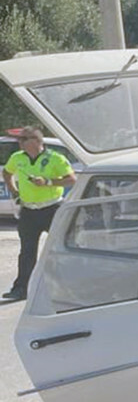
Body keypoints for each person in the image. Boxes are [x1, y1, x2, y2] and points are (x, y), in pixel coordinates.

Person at [2, 127, 75, 301]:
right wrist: (15, 192)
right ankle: (21, 289)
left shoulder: (55, 158)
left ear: (36, 140)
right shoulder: (17, 157)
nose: (20, 143)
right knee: (27, 252)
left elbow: (71, 179)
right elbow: (7, 173)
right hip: (29, 211)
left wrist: (48, 182)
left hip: (52, 209)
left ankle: (68, 287)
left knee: (61, 248)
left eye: (23, 139)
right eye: (19, 140)